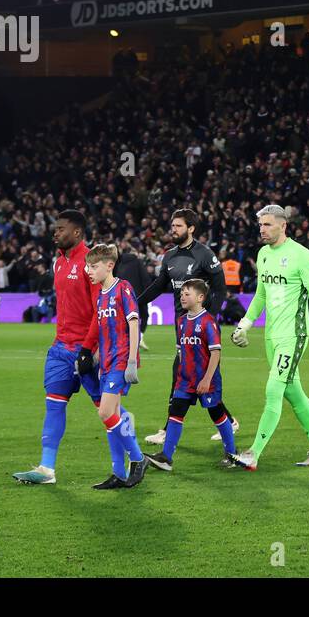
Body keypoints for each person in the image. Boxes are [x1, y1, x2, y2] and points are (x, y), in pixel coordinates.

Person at [228, 204, 309, 471]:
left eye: (267, 224)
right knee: (293, 391)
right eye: (261, 225)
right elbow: (261, 295)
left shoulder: (301, 255)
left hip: (294, 334)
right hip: (271, 335)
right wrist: (245, 324)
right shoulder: (263, 254)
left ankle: (253, 453)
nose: (262, 230)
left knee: (273, 389)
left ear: (283, 225)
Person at [13, 210, 117, 486]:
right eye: (54, 228)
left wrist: (90, 351)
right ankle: (47, 468)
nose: (55, 233)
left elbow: (100, 310)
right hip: (61, 348)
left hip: (89, 350)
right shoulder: (59, 262)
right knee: (54, 405)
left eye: (60, 229)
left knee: (108, 411)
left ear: (77, 233)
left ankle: (132, 456)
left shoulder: (91, 263)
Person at [138, 209, 237, 446]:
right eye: (172, 225)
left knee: (193, 377)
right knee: (185, 376)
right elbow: (158, 285)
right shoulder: (170, 256)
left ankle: (169, 429)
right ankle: (228, 421)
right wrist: (135, 301)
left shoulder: (204, 254)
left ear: (191, 228)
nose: (173, 229)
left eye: (179, 226)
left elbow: (220, 288)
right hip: (181, 327)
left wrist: (208, 318)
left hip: (203, 329)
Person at [144, 280, 236, 471]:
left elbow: (216, 353)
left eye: (187, 294)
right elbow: (180, 352)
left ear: (200, 298)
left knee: (217, 413)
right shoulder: (181, 321)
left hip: (206, 380)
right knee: (175, 413)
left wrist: (207, 379)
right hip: (185, 380)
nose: (182, 296)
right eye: (181, 293)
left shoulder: (208, 322)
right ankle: (166, 458)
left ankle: (232, 453)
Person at [84, 242, 146, 489]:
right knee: (114, 415)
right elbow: (102, 329)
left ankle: (139, 460)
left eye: (94, 266)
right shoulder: (100, 295)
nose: (89, 271)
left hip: (122, 360)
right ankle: (118, 472)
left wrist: (132, 360)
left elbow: (134, 323)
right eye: (88, 266)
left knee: (105, 412)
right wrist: (98, 357)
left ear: (109, 266)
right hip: (108, 362)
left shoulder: (124, 288)